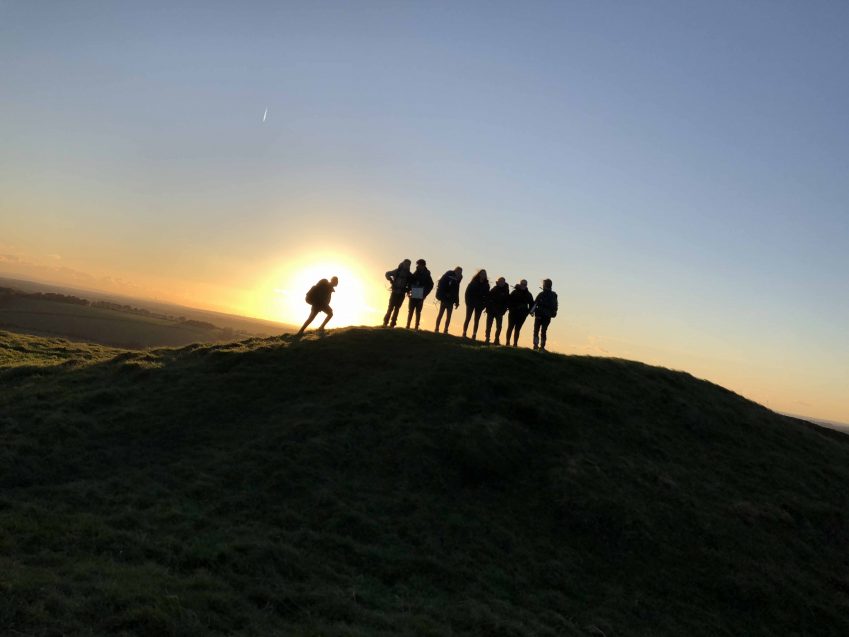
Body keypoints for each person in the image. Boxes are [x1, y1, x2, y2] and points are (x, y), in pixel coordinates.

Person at [406, 258, 434, 330]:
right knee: (411, 310)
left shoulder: (427, 274)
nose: (417, 266)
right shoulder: (417, 272)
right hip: (414, 292)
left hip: (420, 294)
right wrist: (408, 291)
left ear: (422, 265)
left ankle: (416, 327)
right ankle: (408, 325)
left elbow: (431, 285)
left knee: (418, 311)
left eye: (418, 265)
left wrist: (424, 294)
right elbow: (411, 281)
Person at [531, 278, 558, 351]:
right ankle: (542, 347)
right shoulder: (554, 295)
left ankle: (535, 346)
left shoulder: (541, 294)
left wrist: (531, 312)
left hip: (539, 315)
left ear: (544, 285)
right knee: (544, 331)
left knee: (536, 330)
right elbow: (555, 306)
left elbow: (535, 303)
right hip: (548, 316)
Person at [383, 259, 411, 328]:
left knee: (396, 308)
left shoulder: (408, 274)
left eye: (408, 264)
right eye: (406, 264)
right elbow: (387, 274)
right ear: (403, 264)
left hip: (400, 293)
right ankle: (386, 322)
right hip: (395, 292)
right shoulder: (398, 271)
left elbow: (387, 274)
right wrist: (391, 280)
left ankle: (391, 323)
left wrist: (391, 280)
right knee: (391, 308)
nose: (407, 265)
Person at [506, 279, 534, 347]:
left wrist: (528, 312)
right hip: (513, 313)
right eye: (522, 284)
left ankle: (515, 343)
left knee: (517, 329)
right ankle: (507, 342)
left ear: (526, 285)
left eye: (525, 284)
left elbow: (532, 304)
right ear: (520, 284)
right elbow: (509, 301)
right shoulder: (514, 292)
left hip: (522, 315)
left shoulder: (529, 294)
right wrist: (511, 309)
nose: (523, 285)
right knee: (510, 327)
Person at [434, 266, 463, 333]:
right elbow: (443, 285)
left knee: (448, 316)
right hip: (444, 299)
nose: (459, 273)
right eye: (458, 271)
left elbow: (457, 291)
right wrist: (445, 294)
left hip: (451, 300)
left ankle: (446, 329)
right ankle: (437, 328)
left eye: (460, 272)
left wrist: (457, 301)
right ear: (455, 270)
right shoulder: (449, 275)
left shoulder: (458, 279)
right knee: (441, 314)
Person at [462, 269, 489, 340]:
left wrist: (484, 305)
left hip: (479, 305)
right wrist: (467, 302)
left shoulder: (486, 285)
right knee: (468, 318)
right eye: (482, 273)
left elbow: (487, 296)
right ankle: (464, 332)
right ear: (479, 274)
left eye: (484, 274)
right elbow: (467, 292)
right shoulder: (473, 282)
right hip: (470, 303)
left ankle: (474, 334)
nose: (483, 275)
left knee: (476, 320)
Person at [484, 276, 509, 344]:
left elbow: (507, 302)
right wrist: (488, 307)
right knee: (489, 325)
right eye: (500, 281)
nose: (501, 283)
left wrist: (503, 310)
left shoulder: (506, 291)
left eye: (502, 282)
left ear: (504, 283)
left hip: (499, 311)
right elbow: (488, 298)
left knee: (499, 326)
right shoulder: (494, 289)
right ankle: (487, 337)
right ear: (498, 282)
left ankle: (496, 339)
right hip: (491, 310)